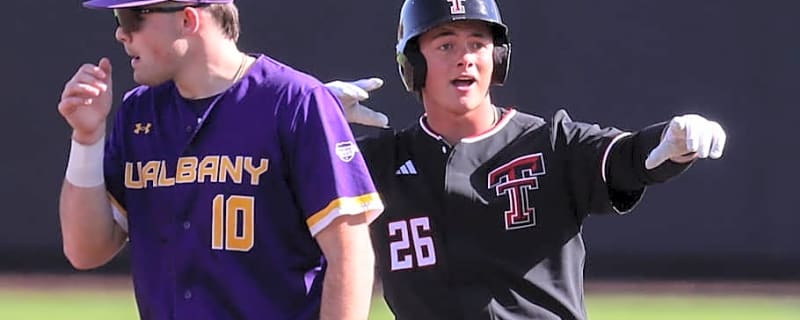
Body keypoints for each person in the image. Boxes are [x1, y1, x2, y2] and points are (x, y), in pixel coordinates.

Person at [325, 0, 727, 319]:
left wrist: (670, 145)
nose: (465, 58)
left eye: (478, 44)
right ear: (413, 64)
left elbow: (627, 156)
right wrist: (306, 122)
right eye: (445, 44)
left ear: (497, 58)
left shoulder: (551, 142)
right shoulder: (375, 163)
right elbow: (273, 185)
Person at [57, 1, 383, 319]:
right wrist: (87, 139)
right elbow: (86, 251)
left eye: (132, 17)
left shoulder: (296, 102)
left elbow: (349, 254)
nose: (121, 34)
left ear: (187, 19)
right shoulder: (138, 112)